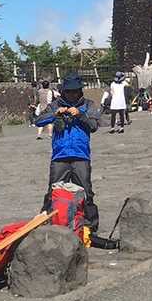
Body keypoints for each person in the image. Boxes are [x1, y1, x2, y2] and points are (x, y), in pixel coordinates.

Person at [34, 73, 100, 230]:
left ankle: (90, 226)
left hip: (81, 155)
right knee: (53, 191)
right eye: (69, 91)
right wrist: (55, 114)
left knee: (86, 191)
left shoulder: (88, 105)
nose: (72, 94)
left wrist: (81, 115)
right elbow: (38, 121)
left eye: (75, 91)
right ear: (64, 91)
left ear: (80, 91)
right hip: (60, 156)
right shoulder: (55, 105)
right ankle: (47, 222)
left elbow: (94, 126)